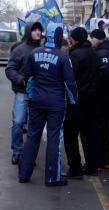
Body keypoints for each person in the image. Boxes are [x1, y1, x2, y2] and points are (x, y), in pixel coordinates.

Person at [18, 22, 77, 186]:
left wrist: (31, 97)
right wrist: (74, 100)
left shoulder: (34, 53)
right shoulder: (63, 57)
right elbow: (70, 83)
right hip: (56, 103)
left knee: (32, 136)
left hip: (37, 100)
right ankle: (52, 177)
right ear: (58, 36)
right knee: (53, 138)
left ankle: (24, 174)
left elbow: (28, 78)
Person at [63, 27, 100, 177]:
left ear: (75, 39)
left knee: (70, 135)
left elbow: (70, 79)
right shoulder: (93, 53)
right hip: (92, 99)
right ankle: (92, 167)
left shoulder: (75, 55)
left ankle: (75, 168)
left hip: (77, 101)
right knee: (89, 134)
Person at [5, 21, 43, 164]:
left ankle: (29, 154)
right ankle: (17, 151)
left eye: (39, 30)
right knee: (18, 122)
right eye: (34, 30)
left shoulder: (43, 49)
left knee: (34, 126)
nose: (38, 32)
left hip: (39, 94)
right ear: (28, 31)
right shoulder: (19, 50)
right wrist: (21, 80)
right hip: (22, 92)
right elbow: (9, 69)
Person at [90, 29, 109, 169]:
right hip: (106, 96)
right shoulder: (105, 50)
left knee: (100, 128)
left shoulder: (103, 53)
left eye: (92, 38)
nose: (90, 41)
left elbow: (106, 74)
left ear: (96, 38)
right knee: (104, 128)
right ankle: (104, 159)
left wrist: (93, 80)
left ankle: (100, 160)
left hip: (103, 97)